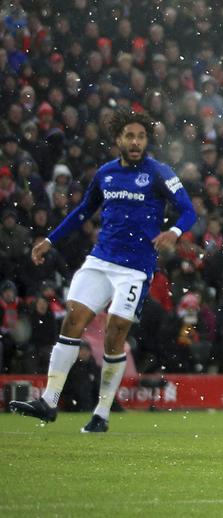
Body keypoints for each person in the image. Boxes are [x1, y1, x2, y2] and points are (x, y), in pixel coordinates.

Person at [9, 111, 196, 433]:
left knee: (115, 333)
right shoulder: (106, 174)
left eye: (141, 136)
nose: (135, 142)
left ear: (147, 140)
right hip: (100, 261)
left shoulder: (159, 173)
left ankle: (102, 413)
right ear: (118, 140)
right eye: (129, 136)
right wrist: (50, 240)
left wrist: (174, 233)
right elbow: (83, 211)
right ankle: (49, 401)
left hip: (135, 269)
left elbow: (188, 210)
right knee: (72, 321)